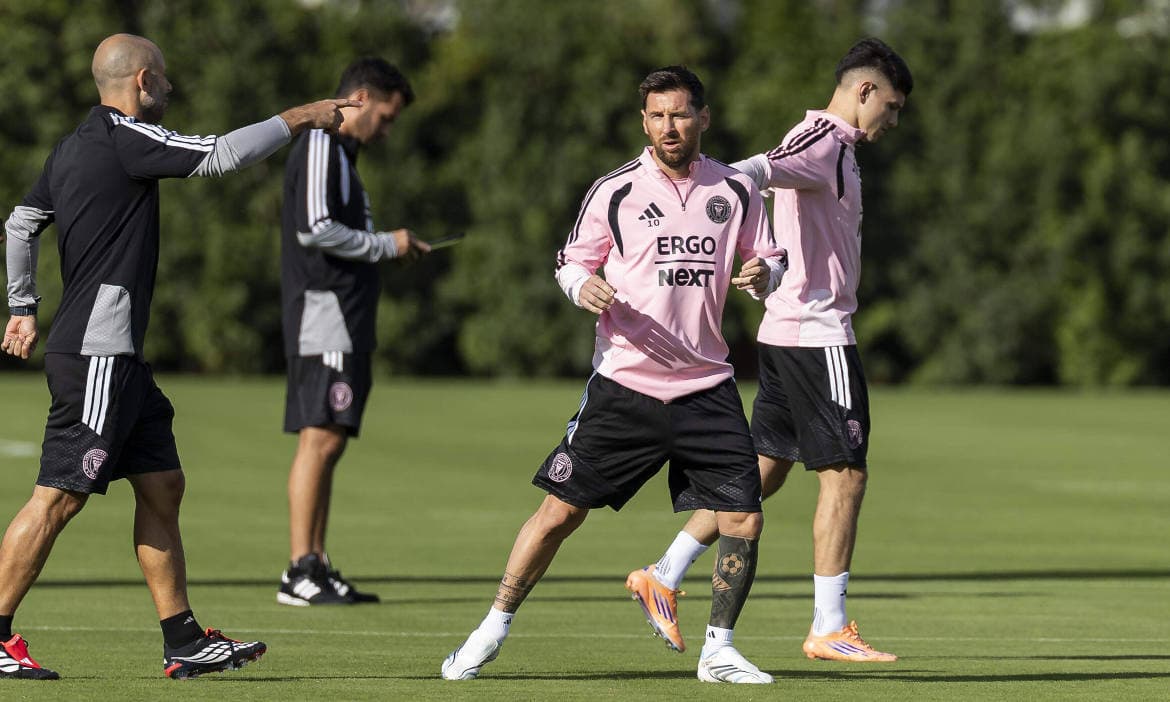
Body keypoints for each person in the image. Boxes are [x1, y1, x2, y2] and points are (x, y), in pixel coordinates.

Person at [0, 33, 356, 680]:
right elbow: (220, 155)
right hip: (98, 355)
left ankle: (183, 639)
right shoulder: (125, 140)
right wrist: (300, 116)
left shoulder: (72, 147)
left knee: (163, 485)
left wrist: (22, 306)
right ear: (141, 82)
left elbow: (20, 223)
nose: (170, 88)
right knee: (59, 497)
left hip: (114, 358)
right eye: (163, 78)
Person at [440, 65, 787, 685]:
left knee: (743, 518)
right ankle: (489, 629)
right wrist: (584, 287)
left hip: (707, 386)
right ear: (644, 122)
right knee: (558, 514)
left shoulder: (736, 189)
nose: (668, 127)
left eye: (680, 114)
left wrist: (763, 275)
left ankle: (719, 650)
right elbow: (570, 262)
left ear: (703, 118)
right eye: (656, 116)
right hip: (625, 385)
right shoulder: (616, 190)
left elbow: (768, 256)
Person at [629, 38, 913, 662]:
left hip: (787, 333)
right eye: (890, 106)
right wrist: (713, 226)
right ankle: (829, 623)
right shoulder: (823, 141)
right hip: (817, 335)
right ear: (864, 92)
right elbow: (752, 170)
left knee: (763, 471)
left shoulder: (834, 147)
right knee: (846, 474)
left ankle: (663, 573)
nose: (892, 121)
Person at [277, 57, 430, 607]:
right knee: (320, 435)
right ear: (359, 99)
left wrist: (391, 248)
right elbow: (316, 228)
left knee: (331, 437)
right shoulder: (322, 141)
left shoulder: (344, 154)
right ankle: (299, 571)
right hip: (324, 313)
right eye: (385, 117)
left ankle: (315, 563)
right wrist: (389, 244)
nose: (386, 130)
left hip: (343, 314)